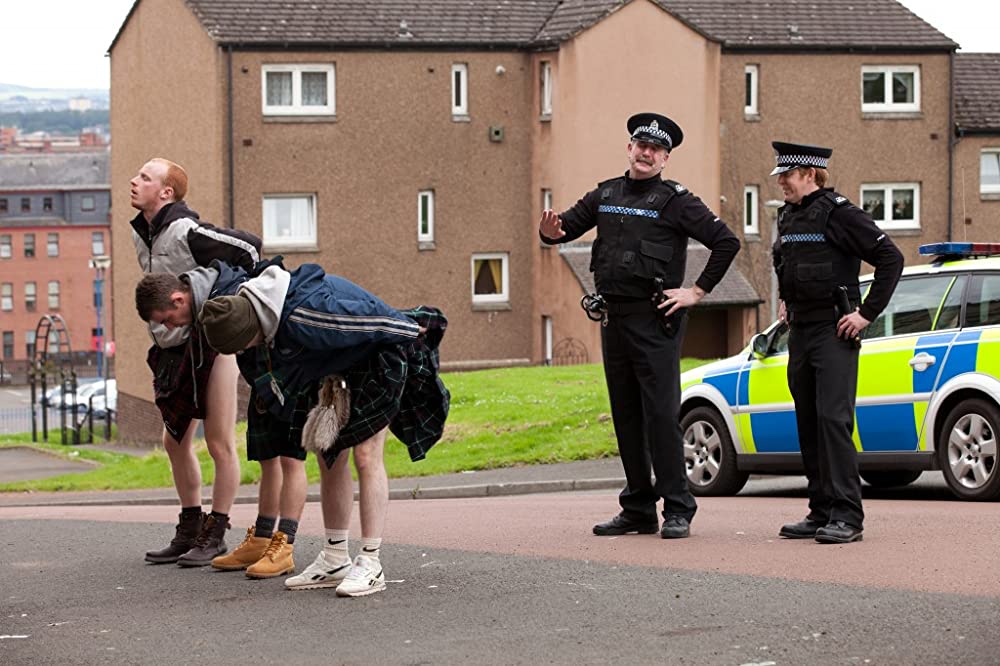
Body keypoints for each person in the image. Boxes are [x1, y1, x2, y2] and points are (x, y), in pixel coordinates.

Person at [136, 259, 449, 595]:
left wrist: (408, 329)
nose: (243, 352)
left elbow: (370, 320)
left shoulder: (305, 315)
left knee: (366, 455)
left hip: (382, 352)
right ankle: (334, 558)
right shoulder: (255, 315)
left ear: (250, 333)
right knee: (329, 454)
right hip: (340, 366)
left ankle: (371, 562)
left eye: (242, 346)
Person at [539, 113, 740, 539]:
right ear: (629, 148)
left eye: (656, 149)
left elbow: (726, 241)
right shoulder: (607, 193)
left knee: (662, 416)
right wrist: (550, 233)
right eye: (640, 145)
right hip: (614, 317)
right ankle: (638, 508)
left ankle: (678, 507)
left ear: (665, 158)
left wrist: (696, 292)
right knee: (626, 415)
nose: (646, 153)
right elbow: (565, 227)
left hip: (656, 320)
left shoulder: (676, 201)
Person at [129, 158, 262, 566]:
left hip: (210, 347)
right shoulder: (142, 234)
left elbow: (250, 248)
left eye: (145, 178)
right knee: (174, 441)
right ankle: (189, 527)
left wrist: (231, 306)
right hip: (170, 351)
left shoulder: (187, 231)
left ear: (166, 192)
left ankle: (216, 531)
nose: (134, 182)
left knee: (219, 442)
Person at [769, 141, 903, 544]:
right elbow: (784, 262)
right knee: (808, 422)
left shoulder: (840, 213)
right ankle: (821, 509)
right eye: (780, 177)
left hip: (834, 331)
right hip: (801, 332)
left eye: (787, 177)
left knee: (833, 420)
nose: (781, 184)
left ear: (810, 174)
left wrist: (866, 315)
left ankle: (848, 515)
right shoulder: (788, 217)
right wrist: (784, 300)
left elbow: (890, 258)